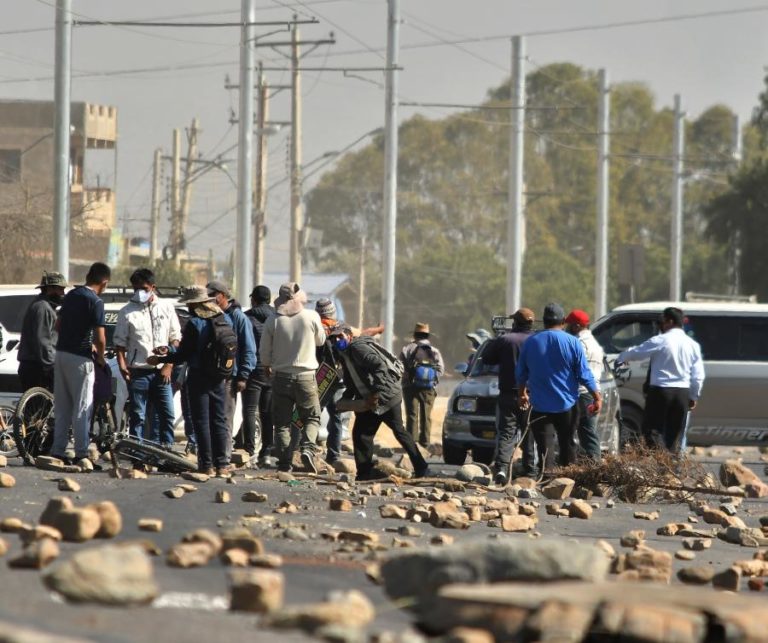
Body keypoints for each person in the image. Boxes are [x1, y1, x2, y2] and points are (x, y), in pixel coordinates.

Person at [148, 286, 234, 476]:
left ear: (194, 304)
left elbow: (183, 355)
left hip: (199, 376)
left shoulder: (195, 323)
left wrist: (162, 358)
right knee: (219, 419)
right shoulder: (224, 318)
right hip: (220, 376)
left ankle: (207, 465)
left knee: (201, 421)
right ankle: (222, 466)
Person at [330, 325, 430, 480]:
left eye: (340, 337)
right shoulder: (345, 353)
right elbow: (352, 380)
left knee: (399, 431)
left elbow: (379, 365)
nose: (337, 340)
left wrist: (376, 393)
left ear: (349, 336)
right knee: (361, 434)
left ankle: (421, 467)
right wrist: (346, 399)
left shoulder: (358, 348)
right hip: (372, 400)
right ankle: (364, 473)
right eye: (334, 338)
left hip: (386, 396)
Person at [515, 303, 602, 472]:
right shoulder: (573, 342)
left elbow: (521, 373)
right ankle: (566, 479)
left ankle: (547, 479)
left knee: (545, 448)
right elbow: (584, 374)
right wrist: (597, 397)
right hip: (567, 405)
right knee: (567, 443)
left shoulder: (531, 342)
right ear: (563, 321)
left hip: (539, 406)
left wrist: (521, 394)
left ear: (544, 321)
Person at [616, 306, 705, 451]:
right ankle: (672, 466)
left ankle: (661, 462)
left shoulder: (660, 340)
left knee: (652, 431)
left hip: (661, 391)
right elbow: (698, 375)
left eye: (662, 322)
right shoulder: (693, 345)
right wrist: (693, 395)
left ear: (669, 321)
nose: (661, 325)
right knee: (675, 435)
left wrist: (622, 357)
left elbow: (637, 352)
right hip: (682, 392)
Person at [259, 282, 326, 473]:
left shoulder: (273, 320)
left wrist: (266, 365)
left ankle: (284, 464)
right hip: (306, 377)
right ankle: (307, 448)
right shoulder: (311, 316)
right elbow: (321, 341)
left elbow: (264, 350)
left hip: (281, 377)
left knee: (281, 424)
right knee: (312, 417)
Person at [50, 262, 111, 469]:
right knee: (82, 407)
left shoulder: (71, 296)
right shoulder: (95, 301)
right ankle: (81, 454)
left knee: (63, 406)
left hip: (61, 354)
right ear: (104, 282)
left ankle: (57, 451)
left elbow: (58, 325)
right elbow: (101, 338)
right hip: (81, 358)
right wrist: (100, 357)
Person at [113, 268, 181, 448]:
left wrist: (169, 365)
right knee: (138, 416)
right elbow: (119, 344)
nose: (139, 293)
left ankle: (166, 451)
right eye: (135, 289)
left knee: (167, 414)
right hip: (138, 371)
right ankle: (138, 455)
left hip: (162, 372)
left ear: (153, 287)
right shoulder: (127, 311)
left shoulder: (166, 308)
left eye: (143, 288)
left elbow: (176, 339)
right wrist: (122, 366)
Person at [482, 308, 536, 486]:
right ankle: (530, 471)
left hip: (508, 393)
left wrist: (497, 340)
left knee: (506, 433)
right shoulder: (537, 340)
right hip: (531, 395)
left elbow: (487, 358)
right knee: (529, 433)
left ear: (516, 323)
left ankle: (502, 469)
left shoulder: (505, 340)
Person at [206, 280, 256, 456]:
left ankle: (224, 457)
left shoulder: (238, 317)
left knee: (225, 418)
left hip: (230, 377)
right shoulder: (209, 315)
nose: (210, 298)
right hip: (210, 375)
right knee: (210, 417)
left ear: (223, 295)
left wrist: (243, 376)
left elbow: (249, 349)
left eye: (213, 295)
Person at [235, 285, 275, 467]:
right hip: (272, 370)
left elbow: (242, 345)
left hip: (252, 370)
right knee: (267, 413)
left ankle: (249, 451)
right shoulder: (277, 317)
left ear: (254, 299)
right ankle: (266, 452)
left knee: (250, 410)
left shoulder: (247, 317)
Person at [565, 309, 605, 462]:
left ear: (576, 326)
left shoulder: (580, 344)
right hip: (592, 392)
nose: (567, 328)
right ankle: (591, 464)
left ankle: (595, 465)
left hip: (583, 393)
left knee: (586, 432)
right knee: (586, 431)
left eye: (569, 325)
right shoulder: (594, 343)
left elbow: (575, 368)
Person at [17, 271, 67, 391]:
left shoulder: (44, 306)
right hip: (37, 367)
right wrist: (51, 367)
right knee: (40, 407)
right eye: (60, 289)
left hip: (35, 365)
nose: (62, 293)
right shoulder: (43, 307)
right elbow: (43, 342)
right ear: (50, 289)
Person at [399, 322, 445, 448]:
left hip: (410, 387)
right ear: (427, 336)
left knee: (412, 415)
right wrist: (432, 380)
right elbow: (440, 369)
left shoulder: (407, 349)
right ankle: (425, 443)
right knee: (426, 416)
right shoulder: (434, 351)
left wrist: (407, 378)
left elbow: (399, 368)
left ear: (414, 335)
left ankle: (412, 444)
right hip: (429, 389)